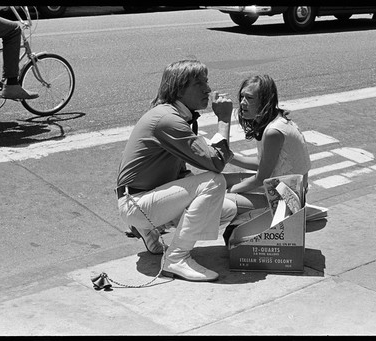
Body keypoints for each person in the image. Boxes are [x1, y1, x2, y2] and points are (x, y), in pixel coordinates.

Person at [116, 60, 237, 282]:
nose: (208, 90)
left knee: (226, 208)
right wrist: (224, 120)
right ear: (179, 89)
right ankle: (177, 257)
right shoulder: (168, 120)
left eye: (206, 82)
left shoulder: (176, 115)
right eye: (199, 84)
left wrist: (196, 199)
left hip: (144, 200)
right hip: (136, 203)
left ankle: (150, 231)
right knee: (214, 182)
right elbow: (217, 164)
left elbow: (180, 172)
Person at [223, 74, 325, 239]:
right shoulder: (275, 120)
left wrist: (229, 191)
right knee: (221, 180)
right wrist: (231, 158)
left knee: (221, 201)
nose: (242, 103)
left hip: (285, 200)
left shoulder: (273, 131)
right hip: (282, 187)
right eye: (241, 97)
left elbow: (259, 178)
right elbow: (264, 163)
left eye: (249, 98)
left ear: (265, 101)